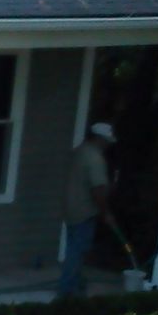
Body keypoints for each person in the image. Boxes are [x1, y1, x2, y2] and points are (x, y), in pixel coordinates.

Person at [59, 122, 119, 297]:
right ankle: (68, 290)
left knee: (73, 249)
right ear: (99, 138)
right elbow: (97, 190)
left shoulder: (78, 151)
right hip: (85, 211)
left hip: (70, 208)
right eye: (106, 140)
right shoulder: (95, 159)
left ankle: (75, 283)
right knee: (78, 251)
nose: (108, 144)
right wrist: (106, 213)